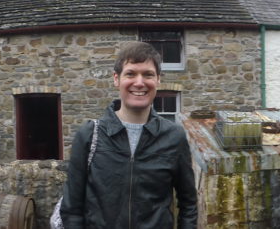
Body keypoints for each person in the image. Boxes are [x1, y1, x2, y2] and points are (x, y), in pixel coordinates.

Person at [60, 41, 197, 228]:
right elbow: (71, 209)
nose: (139, 83)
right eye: (130, 74)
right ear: (116, 79)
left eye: (148, 74)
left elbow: (188, 203)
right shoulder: (89, 135)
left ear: (158, 80)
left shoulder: (174, 136)